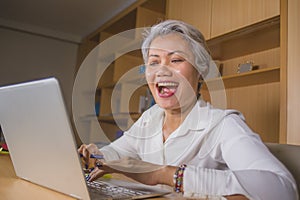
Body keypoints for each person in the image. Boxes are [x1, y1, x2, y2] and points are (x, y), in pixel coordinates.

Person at [78, 20, 298, 199]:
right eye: (154, 62)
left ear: (200, 71)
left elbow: (283, 190)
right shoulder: (150, 118)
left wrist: (161, 173)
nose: (162, 70)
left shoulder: (222, 124)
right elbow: (117, 154)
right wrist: (95, 156)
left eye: (176, 59)